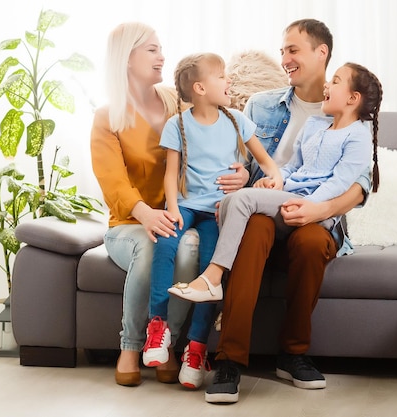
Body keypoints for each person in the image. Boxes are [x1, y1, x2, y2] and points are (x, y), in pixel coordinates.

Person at [200, 19, 374, 403]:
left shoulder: (348, 114)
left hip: (315, 213)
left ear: (321, 52)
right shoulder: (261, 105)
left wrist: (320, 209)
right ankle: (229, 361)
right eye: (282, 52)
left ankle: (293, 354)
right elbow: (247, 162)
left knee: (313, 242)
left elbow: (360, 185)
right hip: (266, 208)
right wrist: (243, 173)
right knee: (257, 228)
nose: (285, 60)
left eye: (293, 50)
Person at [89, 22, 250, 387]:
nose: (161, 56)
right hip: (128, 224)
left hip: (182, 216)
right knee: (149, 247)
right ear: (126, 58)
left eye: (160, 48)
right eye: (151, 49)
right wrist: (147, 214)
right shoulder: (107, 116)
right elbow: (112, 181)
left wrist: (242, 174)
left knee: (189, 248)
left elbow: (219, 141)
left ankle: (169, 345)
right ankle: (130, 346)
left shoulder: (176, 104)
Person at [170, 61, 382, 304]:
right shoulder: (314, 124)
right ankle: (219, 286)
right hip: (291, 196)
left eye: (335, 81)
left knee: (241, 199)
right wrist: (276, 182)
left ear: (353, 98)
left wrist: (310, 205)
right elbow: (294, 166)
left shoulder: (358, 136)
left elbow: (339, 182)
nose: (327, 84)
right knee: (231, 200)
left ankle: (214, 277)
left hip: (310, 205)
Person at [145, 52, 281, 389]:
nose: (228, 81)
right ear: (201, 87)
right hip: (188, 204)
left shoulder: (237, 120)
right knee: (165, 245)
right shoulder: (177, 125)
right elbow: (171, 173)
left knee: (211, 273)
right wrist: (172, 208)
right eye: (222, 77)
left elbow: (266, 161)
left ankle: (196, 347)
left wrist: (274, 177)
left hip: (219, 210)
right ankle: (157, 327)